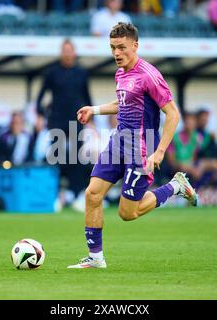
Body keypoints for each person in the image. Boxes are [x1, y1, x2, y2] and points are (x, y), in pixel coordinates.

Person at [69, 22, 198, 269]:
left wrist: (159, 151)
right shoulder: (120, 73)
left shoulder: (149, 75)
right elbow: (124, 103)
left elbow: (172, 114)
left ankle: (175, 186)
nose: (116, 53)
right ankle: (95, 258)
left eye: (122, 47)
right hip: (119, 141)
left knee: (127, 213)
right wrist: (94, 110)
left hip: (142, 148)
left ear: (135, 46)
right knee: (92, 194)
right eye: (112, 48)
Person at [36, 39, 93, 204]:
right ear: (61, 53)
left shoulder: (82, 73)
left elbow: (87, 97)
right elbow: (41, 96)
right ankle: (54, 193)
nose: (67, 54)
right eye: (64, 51)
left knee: (77, 158)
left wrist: (92, 117)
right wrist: (40, 114)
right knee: (55, 157)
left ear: (74, 53)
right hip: (57, 121)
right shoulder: (52, 73)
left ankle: (76, 194)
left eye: (70, 50)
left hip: (77, 120)